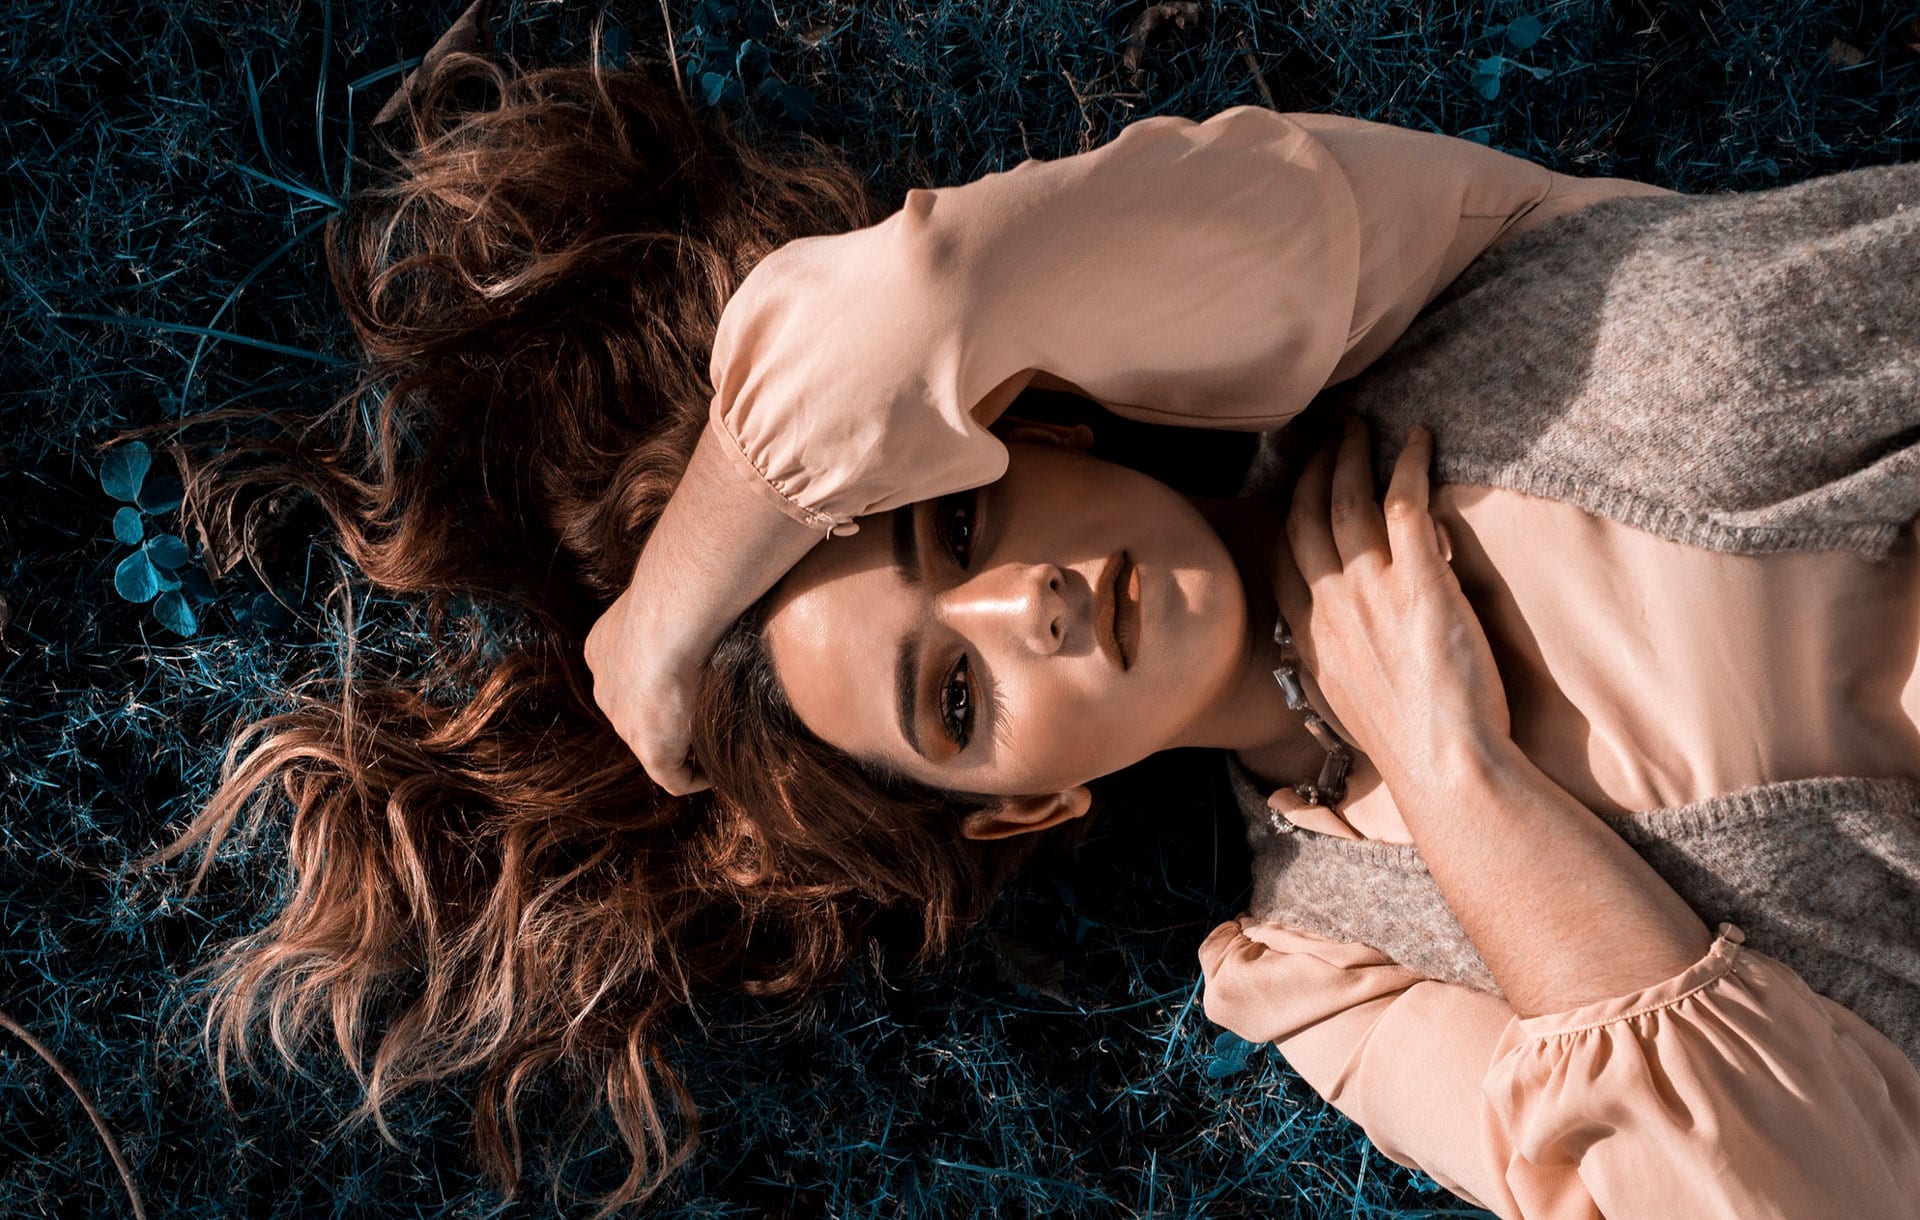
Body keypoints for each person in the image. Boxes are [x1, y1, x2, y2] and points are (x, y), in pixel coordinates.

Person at [142, 42, 1920, 1220]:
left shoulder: (1394, 283)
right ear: (1022, 809)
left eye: (960, 528)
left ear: (1026, 434)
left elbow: (923, 302)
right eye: (956, 691)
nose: (1033, 602)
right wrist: (1459, 786)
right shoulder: (1325, 972)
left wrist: (665, 623)